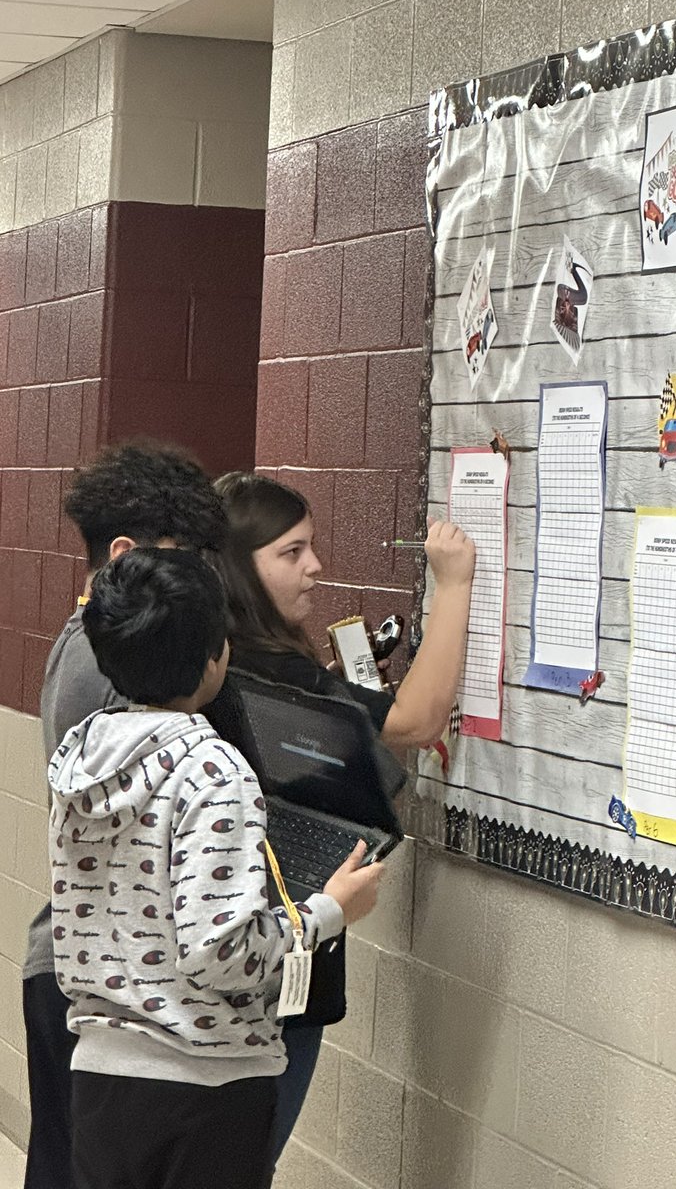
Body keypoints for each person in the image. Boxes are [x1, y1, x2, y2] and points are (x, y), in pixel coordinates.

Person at [50, 547, 382, 1189]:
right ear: (215, 655)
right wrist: (328, 912)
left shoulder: (82, 758)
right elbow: (220, 953)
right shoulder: (214, 771)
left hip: (100, 1075)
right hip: (205, 1088)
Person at [209, 471, 476, 1158]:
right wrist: (455, 585)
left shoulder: (211, 661)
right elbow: (417, 721)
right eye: (291, 552)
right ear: (241, 567)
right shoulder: (272, 671)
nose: (315, 567)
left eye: (312, 547)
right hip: (276, 951)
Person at [24, 441, 230, 1189]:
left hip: (79, 967)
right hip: (103, 988)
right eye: (189, 560)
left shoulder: (84, 644)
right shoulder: (117, 673)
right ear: (122, 555)